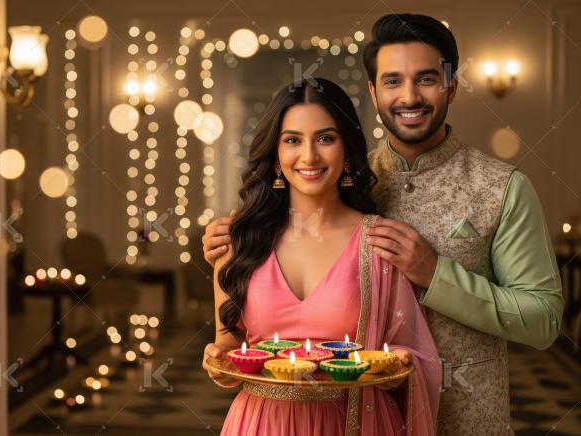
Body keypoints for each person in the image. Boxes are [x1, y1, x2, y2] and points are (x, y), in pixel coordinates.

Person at [202, 13, 564, 436]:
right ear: (373, 93)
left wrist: (435, 275)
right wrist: (237, 235)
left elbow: (544, 322)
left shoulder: (502, 188)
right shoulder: (345, 179)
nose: (409, 96)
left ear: (452, 84)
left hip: (469, 417)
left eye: (426, 78)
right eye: (392, 81)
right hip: (357, 416)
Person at [201, 77, 441, 435]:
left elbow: (413, 355)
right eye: (293, 140)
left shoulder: (377, 242)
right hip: (260, 424)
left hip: (353, 424)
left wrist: (398, 372)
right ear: (276, 154)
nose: (309, 156)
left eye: (326, 138)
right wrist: (217, 360)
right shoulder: (239, 240)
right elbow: (230, 348)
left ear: (347, 151)